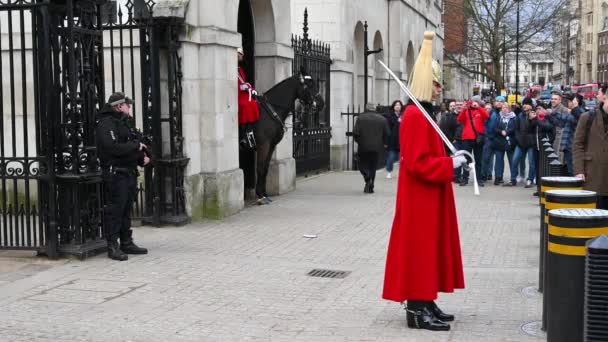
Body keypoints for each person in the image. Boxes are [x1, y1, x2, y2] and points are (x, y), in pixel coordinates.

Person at [383, 31, 466, 332]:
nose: (440, 88)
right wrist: (450, 164)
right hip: (420, 198)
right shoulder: (416, 116)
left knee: (430, 249)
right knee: (420, 250)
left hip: (430, 196)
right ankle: (417, 310)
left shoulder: (425, 114)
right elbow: (417, 164)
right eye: (435, 83)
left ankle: (427, 302)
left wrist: (451, 161)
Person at [96, 92, 150, 261]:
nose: (130, 107)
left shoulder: (126, 122)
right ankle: (113, 245)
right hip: (116, 172)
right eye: (128, 104)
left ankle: (126, 241)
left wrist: (143, 158)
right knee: (115, 210)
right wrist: (135, 146)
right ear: (119, 106)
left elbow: (137, 143)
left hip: (129, 171)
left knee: (127, 209)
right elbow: (113, 148)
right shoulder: (106, 124)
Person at [573, 83, 608, 209]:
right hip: (592, 175)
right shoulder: (587, 117)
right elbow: (578, 145)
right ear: (605, 99)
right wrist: (579, 170)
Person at [353, 103, 390, 193]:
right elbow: (387, 134)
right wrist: (385, 143)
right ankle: (370, 185)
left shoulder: (360, 118)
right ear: (374, 109)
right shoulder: (382, 119)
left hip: (363, 146)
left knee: (362, 164)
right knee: (373, 166)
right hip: (377, 147)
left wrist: (359, 142)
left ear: (366, 108)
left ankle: (367, 177)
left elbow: (356, 133)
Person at [457, 95, 489, 187]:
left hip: (478, 138)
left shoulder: (480, 110)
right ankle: (465, 178)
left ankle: (479, 179)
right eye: (473, 102)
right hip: (467, 138)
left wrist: (478, 107)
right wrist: (464, 109)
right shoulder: (466, 110)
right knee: (466, 160)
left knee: (478, 160)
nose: (474, 103)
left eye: (476, 102)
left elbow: (487, 116)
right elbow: (459, 119)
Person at [237, 47, 260, 150]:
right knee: (246, 105)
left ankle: (250, 129)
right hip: (237, 95)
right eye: (240, 55)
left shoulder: (240, 70)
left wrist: (250, 88)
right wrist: (241, 87)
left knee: (254, 102)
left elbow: (244, 82)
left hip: (243, 94)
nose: (242, 57)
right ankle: (243, 134)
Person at [492, 102, 517, 185]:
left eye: (506, 107)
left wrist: (507, 131)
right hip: (499, 141)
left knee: (512, 160)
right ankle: (498, 177)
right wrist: (500, 131)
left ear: (509, 109)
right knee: (499, 160)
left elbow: (515, 128)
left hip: (510, 141)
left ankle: (513, 178)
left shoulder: (514, 118)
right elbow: (495, 128)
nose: (504, 109)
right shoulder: (498, 117)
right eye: (503, 108)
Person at [439, 102, 464, 183]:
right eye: (457, 105)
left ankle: (463, 176)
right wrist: (452, 139)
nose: (459, 107)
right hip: (456, 140)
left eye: (460, 105)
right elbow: (447, 129)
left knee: (464, 158)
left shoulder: (465, 114)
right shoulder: (450, 116)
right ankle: (456, 176)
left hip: (466, 139)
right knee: (457, 158)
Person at [482, 97, 503, 182]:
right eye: (497, 101)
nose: (499, 103)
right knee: (486, 158)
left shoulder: (503, 112)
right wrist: (486, 135)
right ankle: (483, 175)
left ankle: (498, 177)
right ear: (494, 103)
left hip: (498, 139)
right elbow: (485, 123)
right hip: (489, 138)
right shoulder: (491, 112)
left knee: (498, 159)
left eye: (501, 101)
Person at [383, 100, 403, 179]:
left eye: (399, 105)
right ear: (393, 107)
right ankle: (389, 171)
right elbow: (388, 128)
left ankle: (402, 173)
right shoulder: (390, 116)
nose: (398, 106)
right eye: (396, 105)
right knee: (391, 157)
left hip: (401, 139)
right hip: (392, 140)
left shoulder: (403, 115)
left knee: (402, 158)